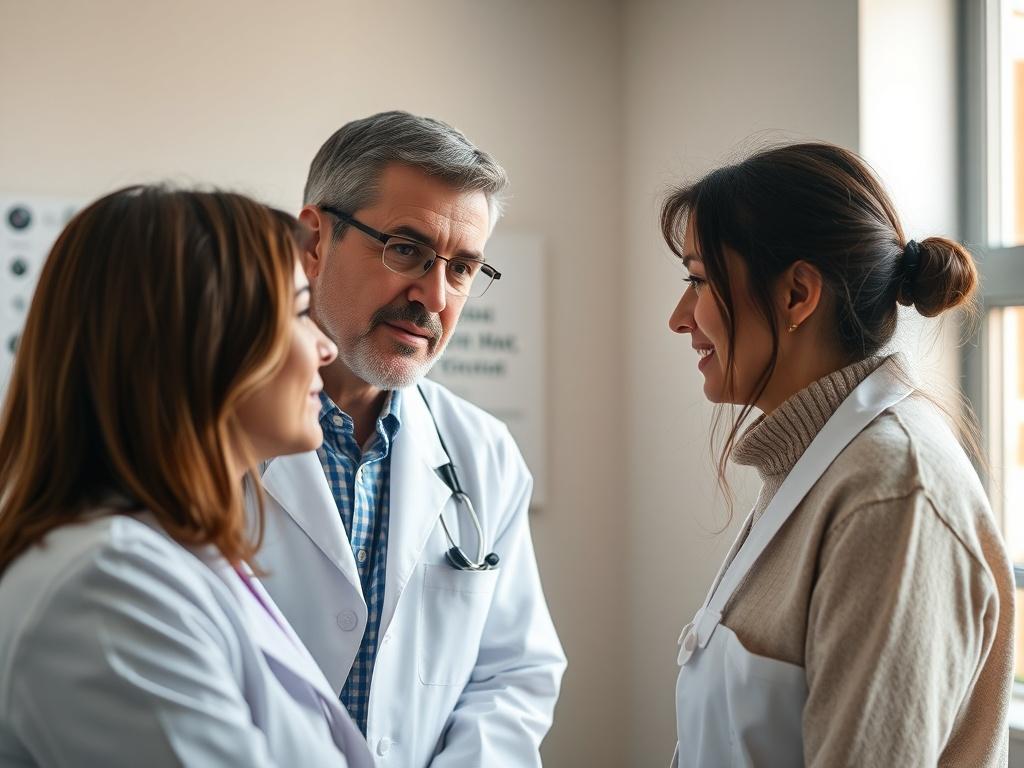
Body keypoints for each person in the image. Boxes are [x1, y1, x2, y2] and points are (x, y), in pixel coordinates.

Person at [663, 143, 1014, 766]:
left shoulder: (891, 491)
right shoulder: (817, 463)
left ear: (797, 294)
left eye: (697, 281)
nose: (678, 317)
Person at [0, 186, 373, 767]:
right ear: (206, 340)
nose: (325, 347)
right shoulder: (106, 587)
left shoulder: (174, 557)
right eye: (301, 312)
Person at [249, 110, 565, 767]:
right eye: (406, 249)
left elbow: (512, 675)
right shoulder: (213, 427)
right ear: (314, 240)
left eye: (463, 269)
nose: (434, 296)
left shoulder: (483, 453)